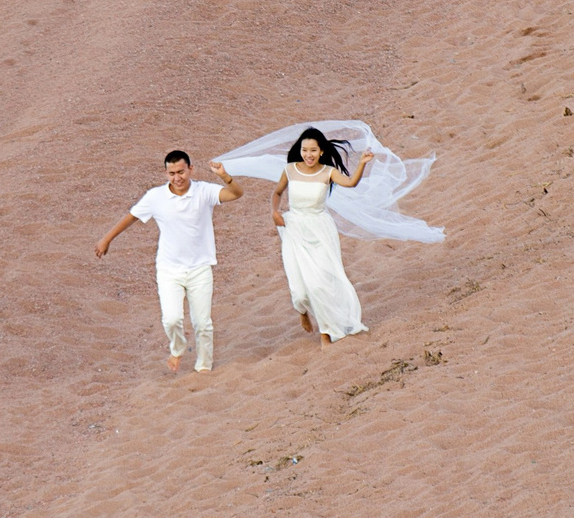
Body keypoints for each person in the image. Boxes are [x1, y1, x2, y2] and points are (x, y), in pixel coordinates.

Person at [95, 149, 243, 373]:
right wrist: (107, 239)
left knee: (202, 323)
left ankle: (204, 366)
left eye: (181, 171)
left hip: (200, 267)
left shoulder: (204, 191)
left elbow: (236, 194)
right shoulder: (156, 197)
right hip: (168, 269)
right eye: (172, 173)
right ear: (166, 174)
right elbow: (131, 217)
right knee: (171, 320)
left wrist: (224, 175)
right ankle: (178, 348)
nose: (177, 177)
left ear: (190, 169)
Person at [270, 127, 370, 344]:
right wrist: (275, 212)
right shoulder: (290, 169)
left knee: (320, 283)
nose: (308, 155)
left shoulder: (328, 172)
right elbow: (277, 192)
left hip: (320, 229)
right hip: (294, 228)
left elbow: (351, 183)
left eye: (313, 150)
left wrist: (362, 163)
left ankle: (325, 333)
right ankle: (302, 311)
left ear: (322, 151)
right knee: (299, 289)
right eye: (305, 150)